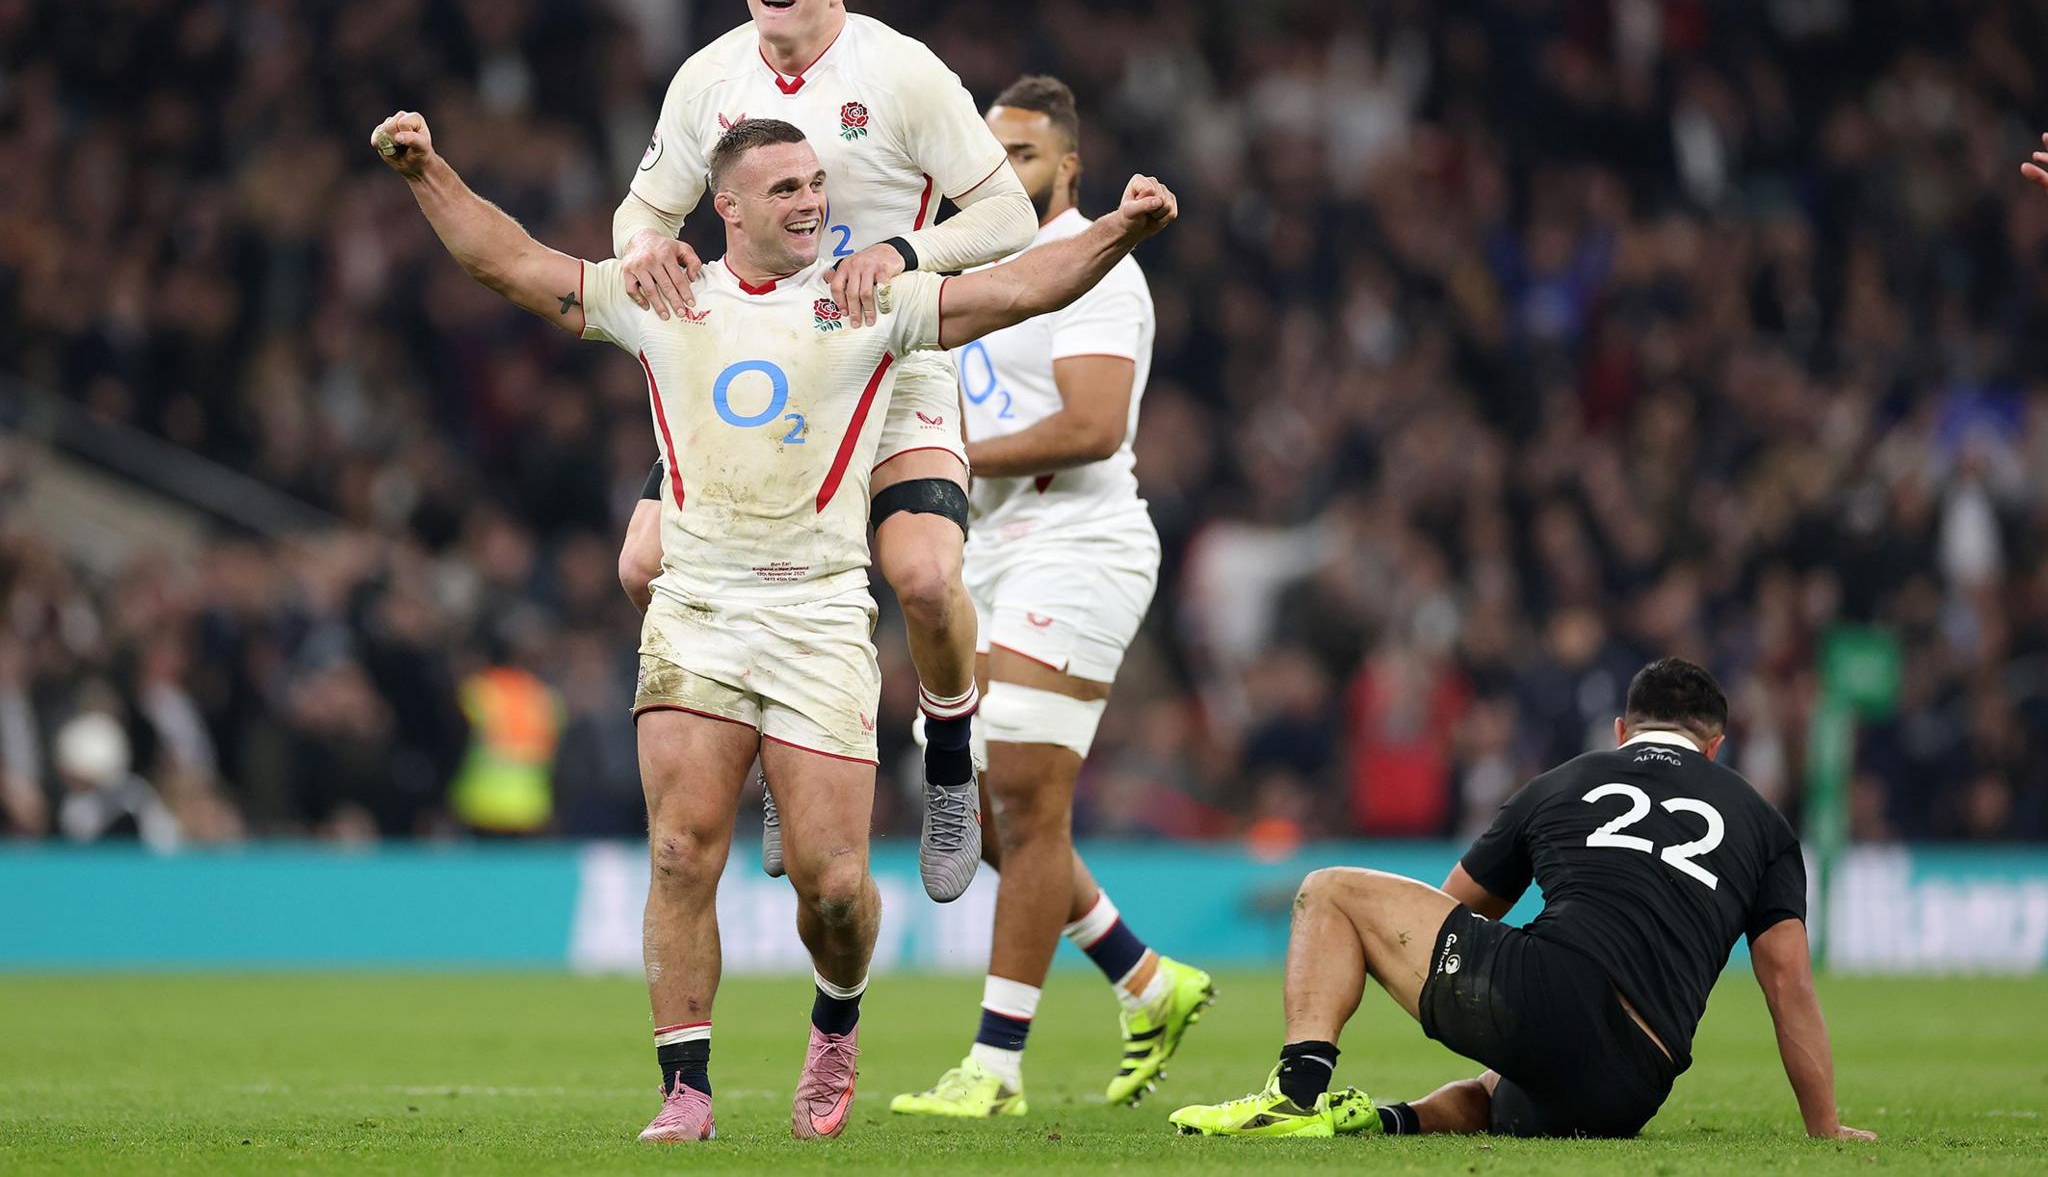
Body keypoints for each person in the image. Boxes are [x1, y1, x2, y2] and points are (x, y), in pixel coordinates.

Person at [370, 108, 1176, 1144]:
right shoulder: (664, 295)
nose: (812, 202)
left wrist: (1116, 231)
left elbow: (1015, 289)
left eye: (816, 184)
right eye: (786, 188)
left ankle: (835, 1024)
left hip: (819, 618)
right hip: (698, 611)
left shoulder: (866, 300)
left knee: (834, 886)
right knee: (677, 853)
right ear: (728, 206)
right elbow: (514, 264)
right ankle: (685, 1090)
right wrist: (426, 172)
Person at [612, 0, 1039, 902]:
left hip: (887, 358)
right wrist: (643, 251)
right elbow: (642, 210)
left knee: (925, 578)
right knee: (641, 566)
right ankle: (774, 735)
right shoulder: (709, 77)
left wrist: (903, 252)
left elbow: (1009, 215)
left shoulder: (901, 73)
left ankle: (948, 762)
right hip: (757, 365)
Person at [1168, 658, 1876, 1143]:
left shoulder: (1564, 781)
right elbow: (1789, 984)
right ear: (1714, 747)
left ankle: (1294, 1096)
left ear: (1622, 731)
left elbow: (1450, 908)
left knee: (1329, 890)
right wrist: (1824, 1129)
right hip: (1635, 1079)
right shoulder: (1765, 825)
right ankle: (1387, 1122)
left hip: (1546, 997)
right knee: (1494, 1093)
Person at [892, 76, 1209, 1120]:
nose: (1003, 173)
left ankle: (994, 1068)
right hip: (986, 553)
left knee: (1025, 799)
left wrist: (951, 452)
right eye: (992, 157)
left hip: (1078, 543)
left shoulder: (1097, 269)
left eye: (1024, 156)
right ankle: (1144, 979)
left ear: (1067, 167)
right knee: (968, 799)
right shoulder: (969, 273)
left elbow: (1093, 426)